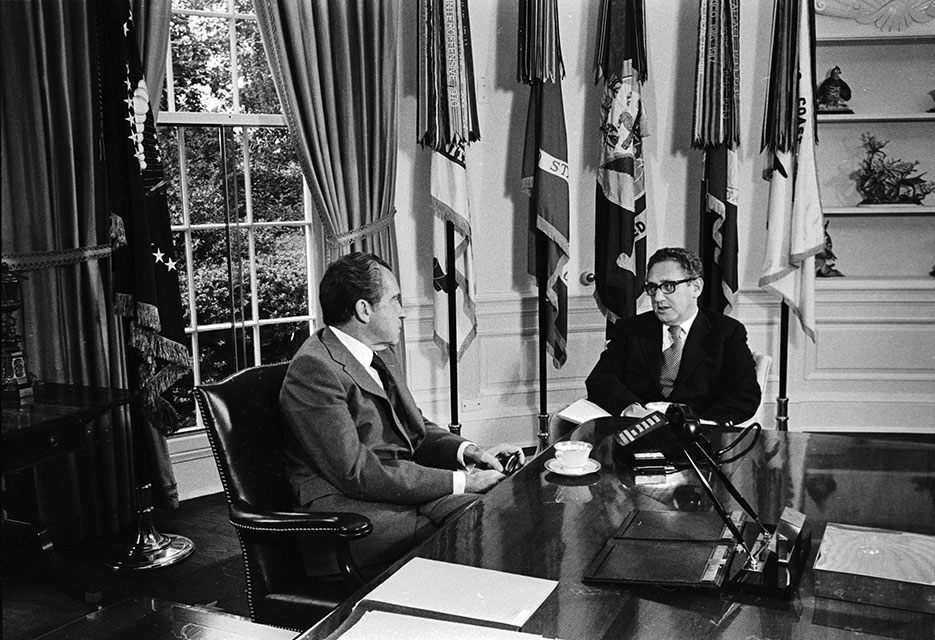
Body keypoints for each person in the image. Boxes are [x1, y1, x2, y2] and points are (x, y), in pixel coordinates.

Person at [280, 252, 524, 575]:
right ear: (363, 310)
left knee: (499, 506)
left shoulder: (380, 353)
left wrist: (470, 453)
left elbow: (414, 426)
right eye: (394, 301)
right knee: (480, 525)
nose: (403, 312)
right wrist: (463, 481)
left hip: (394, 494)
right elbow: (357, 473)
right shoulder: (314, 369)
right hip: (350, 517)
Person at [586, 247, 760, 426]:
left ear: (696, 288)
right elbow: (601, 379)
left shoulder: (727, 332)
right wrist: (631, 409)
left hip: (700, 438)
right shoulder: (631, 329)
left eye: (668, 286)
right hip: (638, 432)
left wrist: (703, 424)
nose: (658, 297)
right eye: (652, 288)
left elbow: (745, 395)